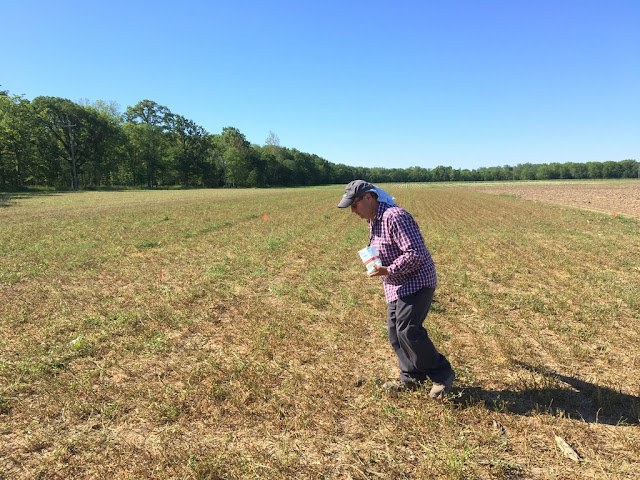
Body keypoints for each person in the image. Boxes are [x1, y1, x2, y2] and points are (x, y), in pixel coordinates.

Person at [338, 180, 455, 398]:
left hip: (416, 281)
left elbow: (415, 253)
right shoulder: (374, 219)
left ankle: (442, 374)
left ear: (368, 198)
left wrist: (388, 269)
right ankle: (411, 377)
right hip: (395, 284)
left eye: (354, 204)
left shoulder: (395, 216)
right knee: (395, 333)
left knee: (408, 331)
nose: (353, 210)